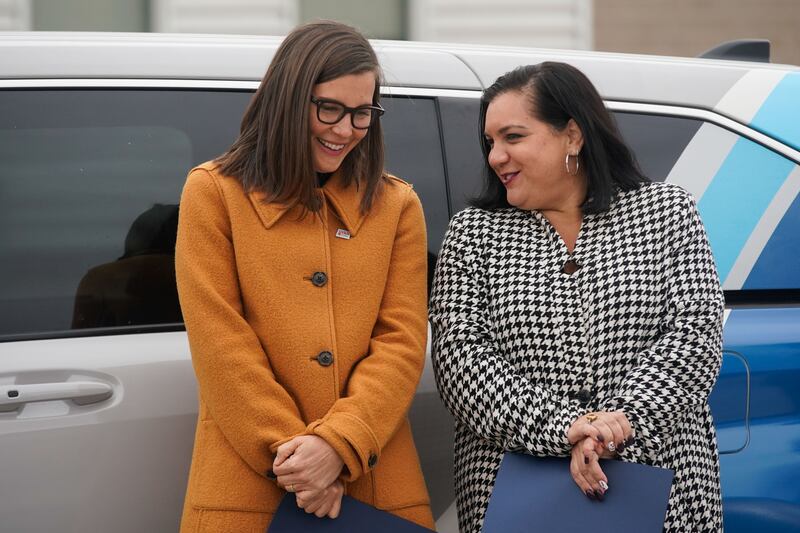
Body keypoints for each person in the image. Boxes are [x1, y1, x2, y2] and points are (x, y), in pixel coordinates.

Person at [430, 62, 723, 532]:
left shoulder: (666, 212)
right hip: (514, 498)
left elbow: (696, 333)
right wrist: (566, 428)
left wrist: (621, 422)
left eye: (513, 137)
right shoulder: (473, 233)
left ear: (572, 135)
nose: (495, 156)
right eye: (490, 142)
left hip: (661, 488)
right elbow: (460, 361)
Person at [175, 21, 434, 532]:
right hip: (249, 479)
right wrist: (301, 461)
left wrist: (338, 444)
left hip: (374, 478)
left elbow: (402, 341)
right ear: (289, 98)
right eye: (330, 108)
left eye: (362, 113)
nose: (345, 130)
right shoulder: (213, 193)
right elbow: (220, 344)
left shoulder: (396, 205)